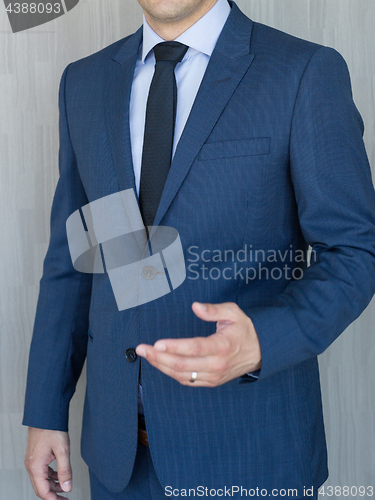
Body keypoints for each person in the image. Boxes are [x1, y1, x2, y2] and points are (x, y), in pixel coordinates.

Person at [23, 0, 375, 499]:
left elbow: (355, 252)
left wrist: (263, 341)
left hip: (252, 456)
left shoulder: (303, 71)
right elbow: (75, 262)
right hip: (116, 461)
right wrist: (46, 411)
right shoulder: (83, 83)